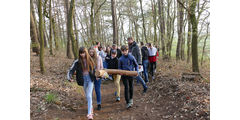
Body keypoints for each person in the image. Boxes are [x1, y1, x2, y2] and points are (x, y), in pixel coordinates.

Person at [67, 47, 95, 120]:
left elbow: (94, 69)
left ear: (86, 52)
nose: (82, 54)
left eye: (84, 52)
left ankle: (89, 114)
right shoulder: (77, 62)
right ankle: (91, 107)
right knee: (87, 96)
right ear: (79, 54)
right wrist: (69, 77)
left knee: (89, 96)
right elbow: (71, 70)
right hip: (83, 80)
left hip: (90, 80)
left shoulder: (90, 60)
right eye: (81, 53)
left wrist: (97, 76)